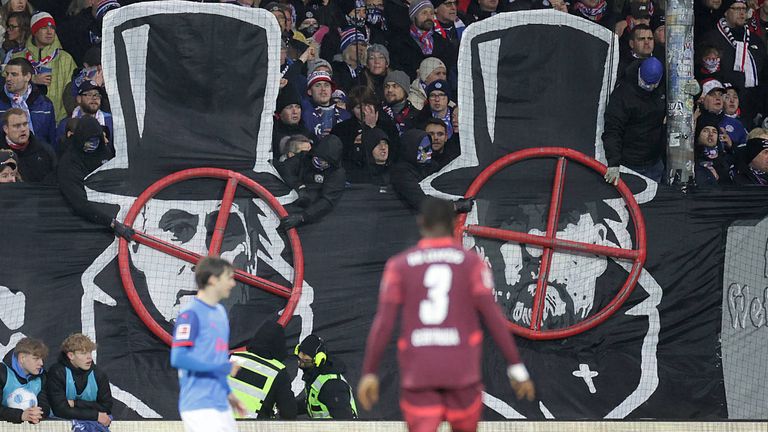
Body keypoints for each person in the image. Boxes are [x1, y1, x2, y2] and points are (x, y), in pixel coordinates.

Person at [357, 197, 535, 432]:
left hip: (420, 368)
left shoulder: (399, 265)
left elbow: (384, 322)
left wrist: (370, 371)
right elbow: (494, 318)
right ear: (453, 223)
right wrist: (516, 367)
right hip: (460, 368)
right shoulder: (472, 263)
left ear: (421, 222)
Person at [170, 256, 246, 432]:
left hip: (221, 405)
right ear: (213, 279)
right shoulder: (190, 314)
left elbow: (216, 358)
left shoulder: (220, 313)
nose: (233, 283)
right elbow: (179, 358)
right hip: (199, 406)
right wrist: (221, 368)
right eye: (229, 277)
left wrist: (229, 394)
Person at [603, 57, 666, 184]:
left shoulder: (664, 85)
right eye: (646, 83)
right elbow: (613, 129)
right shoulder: (623, 94)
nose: (649, 87)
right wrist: (613, 163)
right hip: (630, 163)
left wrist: (693, 91)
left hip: (655, 161)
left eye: (653, 84)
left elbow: (679, 99)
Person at [11, 12, 78, 123]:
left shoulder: (65, 58)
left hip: (57, 121)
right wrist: (30, 79)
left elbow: (73, 91)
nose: (49, 31)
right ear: (35, 31)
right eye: (43, 27)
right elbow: (6, 86)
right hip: (22, 122)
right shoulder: (17, 57)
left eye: (52, 27)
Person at [228, 321, 297, 419]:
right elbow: (289, 413)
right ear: (279, 345)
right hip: (252, 427)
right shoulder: (278, 372)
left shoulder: (233, 358)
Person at [390, 129, 472, 212]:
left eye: (429, 147)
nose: (429, 152)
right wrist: (454, 206)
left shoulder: (432, 166)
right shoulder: (400, 172)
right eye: (424, 149)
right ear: (411, 148)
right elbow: (420, 201)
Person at [276, 134, 347, 229]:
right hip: (291, 203)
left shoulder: (337, 173)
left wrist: (303, 217)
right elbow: (284, 169)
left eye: (325, 163)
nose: (320, 165)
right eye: (318, 160)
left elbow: (328, 201)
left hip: (315, 220)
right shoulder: (304, 158)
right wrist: (299, 187)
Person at [47, 333, 113, 429]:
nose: (89, 357)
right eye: (83, 353)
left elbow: (106, 407)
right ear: (71, 356)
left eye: (90, 352)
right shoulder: (57, 372)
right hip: (60, 426)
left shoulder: (99, 374)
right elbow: (60, 410)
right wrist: (96, 415)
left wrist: (75, 403)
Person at [390, 0, 457, 82]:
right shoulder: (399, 42)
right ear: (414, 17)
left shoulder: (443, 42)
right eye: (424, 13)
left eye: (431, 13)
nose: (429, 17)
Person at [295, 334, 358, 419]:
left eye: (306, 359)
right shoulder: (316, 377)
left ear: (319, 359)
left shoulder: (333, 386)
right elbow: (313, 403)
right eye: (299, 357)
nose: (300, 362)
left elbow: (345, 423)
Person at [0, 57, 57, 147]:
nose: (8, 79)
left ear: (27, 77)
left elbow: (52, 139)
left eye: (14, 74)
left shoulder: (45, 104)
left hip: (38, 157)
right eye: (7, 74)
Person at [0, 338, 50, 424]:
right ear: (22, 358)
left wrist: (37, 414)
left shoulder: (42, 376)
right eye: (36, 358)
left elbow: (45, 405)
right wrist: (20, 415)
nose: (41, 363)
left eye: (42, 359)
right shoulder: (2, 372)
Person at [0, 108, 56, 183]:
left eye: (25, 124)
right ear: (6, 129)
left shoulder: (45, 150)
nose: (23, 129)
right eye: (17, 126)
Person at [56, 80, 113, 149]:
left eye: (97, 95)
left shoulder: (111, 121)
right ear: (79, 99)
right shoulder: (65, 124)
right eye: (89, 94)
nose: (94, 98)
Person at [301, 71, 351, 139]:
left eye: (326, 85)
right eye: (318, 85)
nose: (323, 89)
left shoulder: (344, 114)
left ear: (331, 90)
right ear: (310, 91)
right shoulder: (303, 110)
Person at [382, 70, 420, 135]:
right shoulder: (377, 113)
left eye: (395, 86)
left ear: (405, 90)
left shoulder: (417, 116)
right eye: (387, 86)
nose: (389, 90)